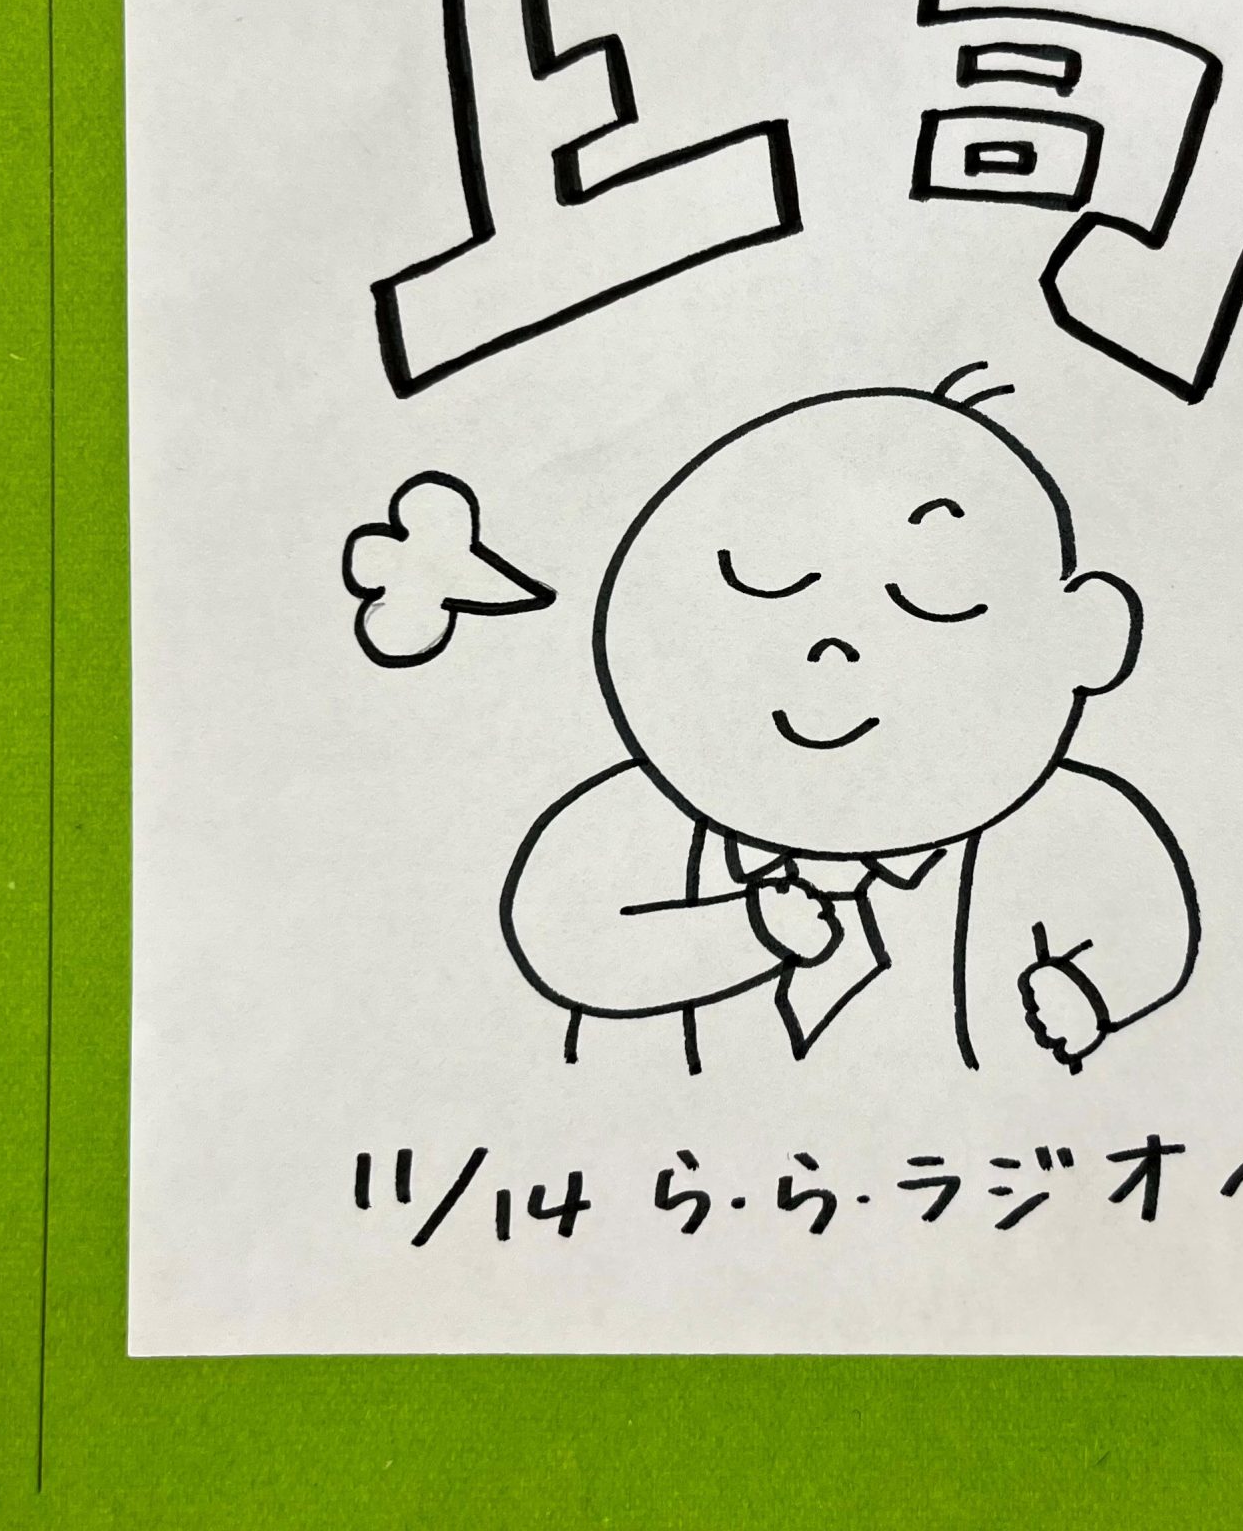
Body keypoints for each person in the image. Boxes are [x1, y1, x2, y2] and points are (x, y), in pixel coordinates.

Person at [503, 366, 1199, 1074]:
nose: (833, 643)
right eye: (765, 576)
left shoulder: (1068, 820)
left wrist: (1092, 992)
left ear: (1084, 638)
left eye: (931, 596)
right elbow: (567, 940)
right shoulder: (630, 820)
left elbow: (1141, 919)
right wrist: (745, 933)